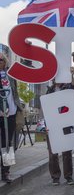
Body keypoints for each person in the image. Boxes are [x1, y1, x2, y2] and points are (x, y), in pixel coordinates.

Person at [45, 67, 74, 186]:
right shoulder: (50, 90)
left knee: (66, 151)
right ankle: (55, 177)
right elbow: (46, 108)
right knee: (52, 152)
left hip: (65, 124)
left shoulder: (68, 87)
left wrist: (73, 75)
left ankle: (68, 176)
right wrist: (46, 125)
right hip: (52, 124)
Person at [0, 54, 23, 183]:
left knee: (9, 143)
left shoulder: (10, 76)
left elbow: (15, 93)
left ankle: (6, 172)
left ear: (5, 61)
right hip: (0, 112)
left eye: (1, 60)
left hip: (12, 113)